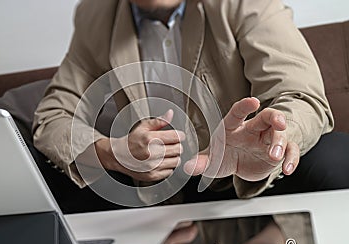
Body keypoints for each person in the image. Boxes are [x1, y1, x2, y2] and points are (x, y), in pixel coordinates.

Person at [33, 0, 349, 208]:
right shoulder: (96, 13)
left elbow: (300, 95)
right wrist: (112, 152)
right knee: (45, 175)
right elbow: (53, 113)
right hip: (154, 191)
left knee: (336, 156)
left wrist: (272, 142)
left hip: (253, 178)